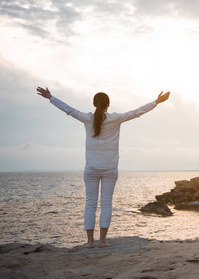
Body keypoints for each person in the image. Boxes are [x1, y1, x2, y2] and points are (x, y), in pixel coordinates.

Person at [36, 86, 170, 248]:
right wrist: (156, 102)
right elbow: (137, 112)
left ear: (94, 103)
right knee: (106, 203)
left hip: (91, 168)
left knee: (90, 204)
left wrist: (51, 97)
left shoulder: (87, 118)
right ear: (108, 104)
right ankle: (102, 241)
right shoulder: (115, 118)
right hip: (110, 168)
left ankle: (90, 242)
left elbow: (68, 110)